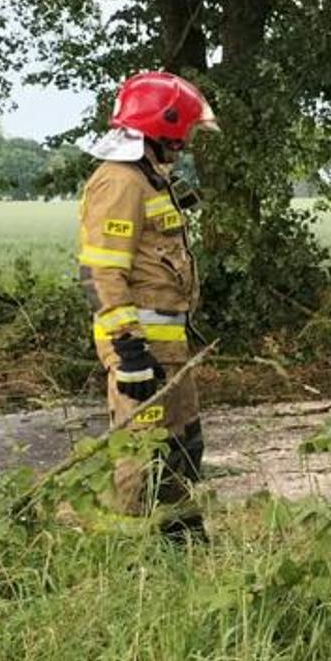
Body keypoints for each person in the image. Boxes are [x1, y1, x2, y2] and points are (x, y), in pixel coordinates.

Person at [76, 70, 216, 542]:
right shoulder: (119, 182)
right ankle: (132, 554)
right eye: (187, 131)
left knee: (181, 445)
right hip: (140, 346)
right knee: (142, 452)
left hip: (168, 344)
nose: (188, 142)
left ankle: (181, 543)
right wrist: (129, 352)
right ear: (166, 126)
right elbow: (100, 272)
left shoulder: (149, 180)